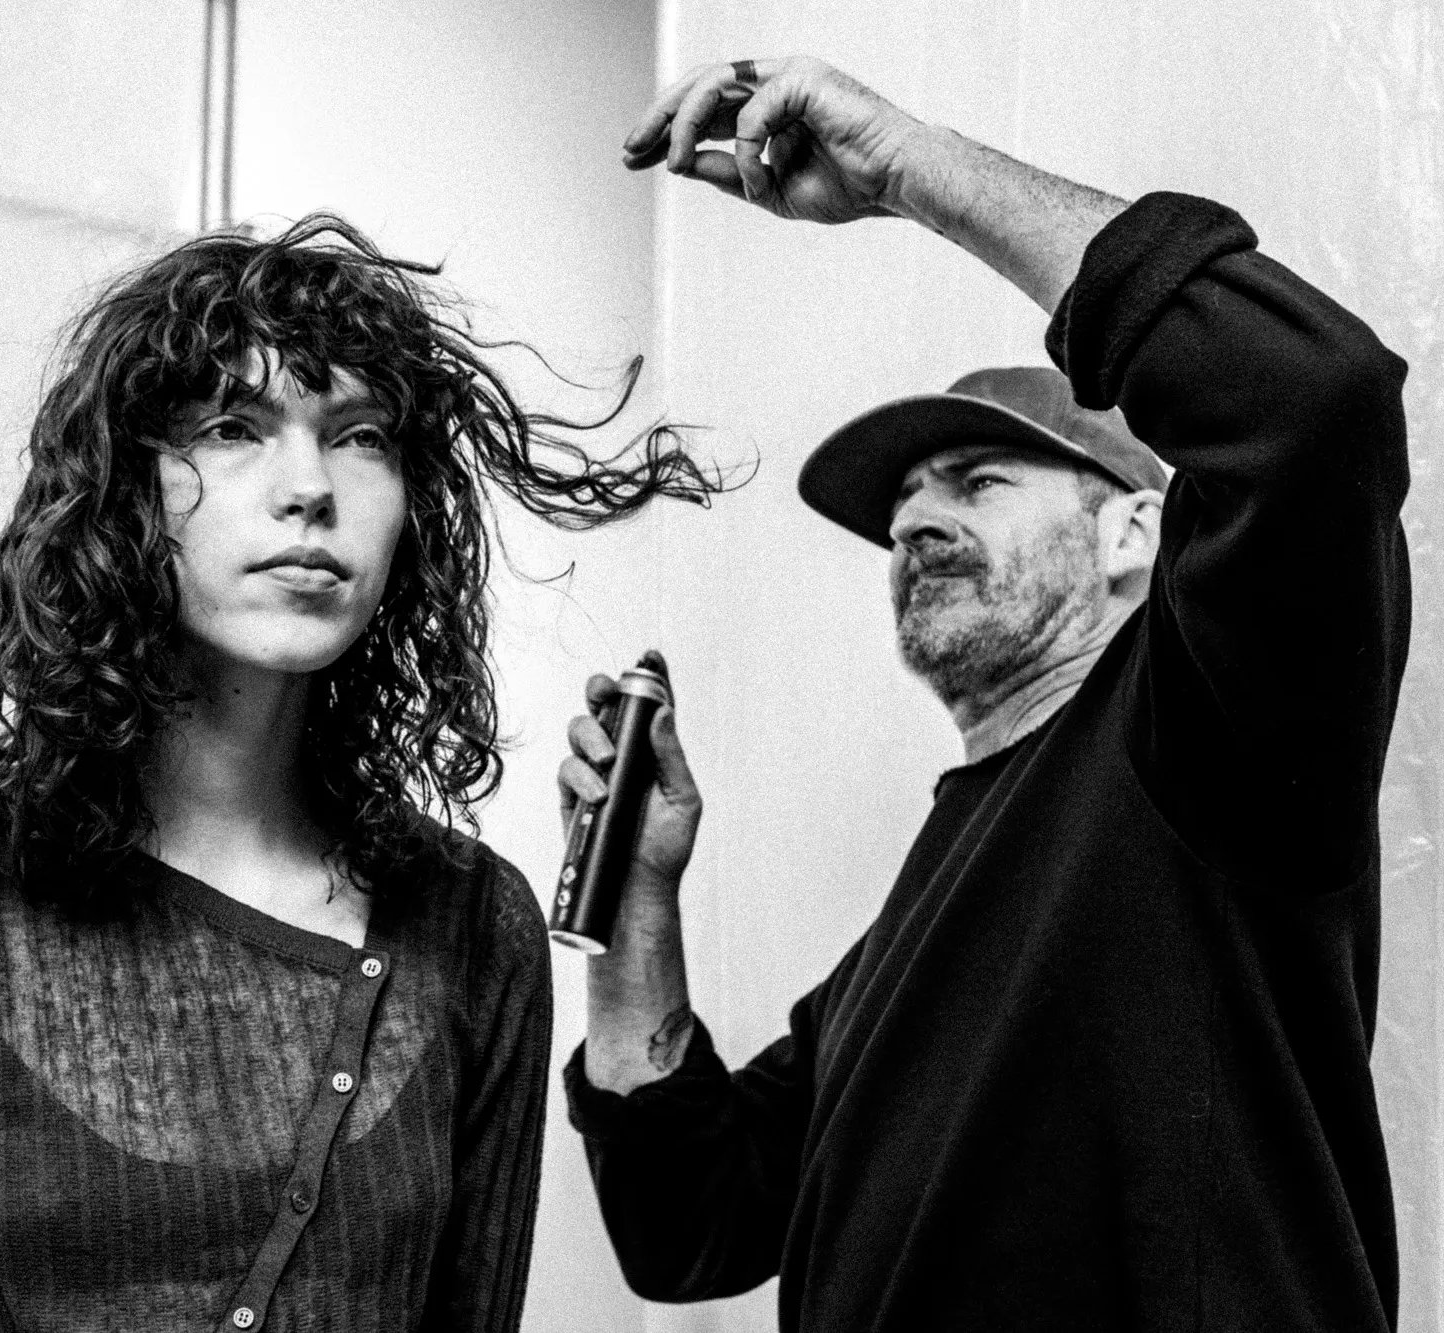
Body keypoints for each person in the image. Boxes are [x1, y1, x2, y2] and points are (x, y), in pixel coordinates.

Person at [0, 215, 722, 1332]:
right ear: (126, 492)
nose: (308, 487)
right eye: (233, 427)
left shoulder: (472, 923)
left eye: (360, 436)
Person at [558, 56, 1410, 1330]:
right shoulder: (909, 936)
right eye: (902, 500)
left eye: (977, 480)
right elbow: (690, 1225)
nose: (913, 516)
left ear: (1134, 532)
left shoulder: (1208, 740)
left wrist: (910, 168)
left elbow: (1307, 399)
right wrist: (635, 905)